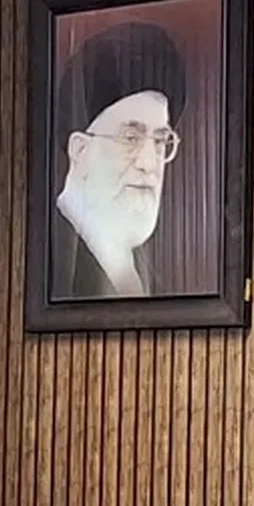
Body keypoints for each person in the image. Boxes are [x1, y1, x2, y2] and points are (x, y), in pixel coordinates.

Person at [51, 21, 186, 300]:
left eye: (160, 141)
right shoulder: (49, 264)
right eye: (130, 138)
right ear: (80, 150)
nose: (148, 163)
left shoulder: (153, 284)